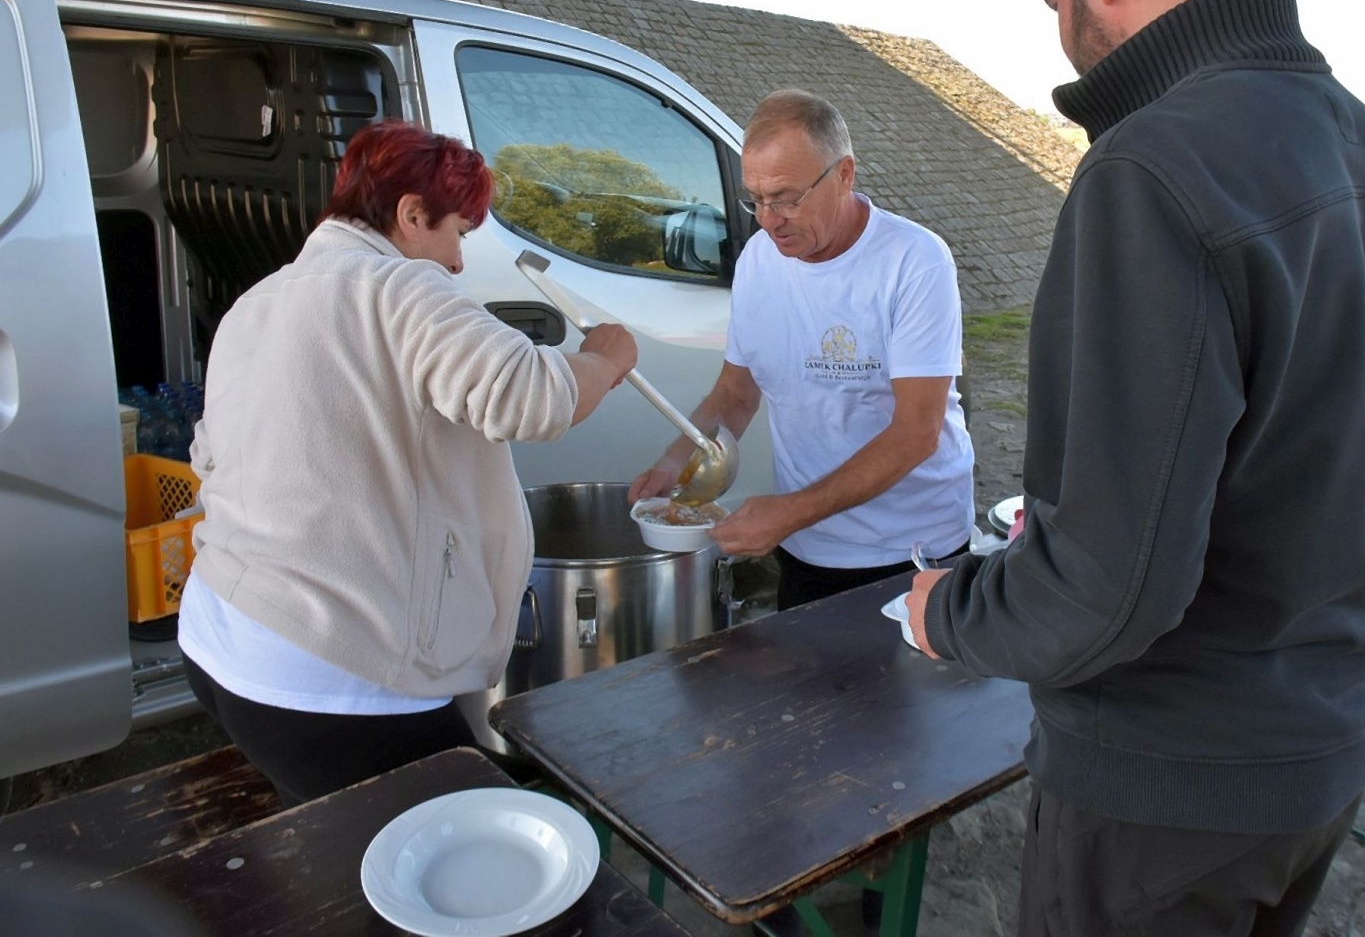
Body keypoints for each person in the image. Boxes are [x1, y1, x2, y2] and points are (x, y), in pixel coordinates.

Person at [907, 0, 1365, 934]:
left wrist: (946, 611)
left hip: (1165, 786)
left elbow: (1106, 588)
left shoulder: (1151, 165)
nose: (1059, 21)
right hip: (1321, 751)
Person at [178, 120, 638, 806]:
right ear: (410, 215)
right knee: (472, 857)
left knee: (347, 837)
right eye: (456, 231)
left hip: (219, 639)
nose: (457, 261)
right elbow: (531, 395)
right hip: (328, 674)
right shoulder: (395, 288)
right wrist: (607, 357)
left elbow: (209, 455)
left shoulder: (258, 299)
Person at [629, 89, 975, 612]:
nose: (769, 220)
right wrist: (676, 463)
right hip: (806, 551)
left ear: (844, 175)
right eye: (757, 199)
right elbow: (735, 394)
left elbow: (917, 434)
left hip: (911, 553)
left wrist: (788, 513)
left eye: (788, 197)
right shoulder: (759, 262)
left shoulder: (914, 261)